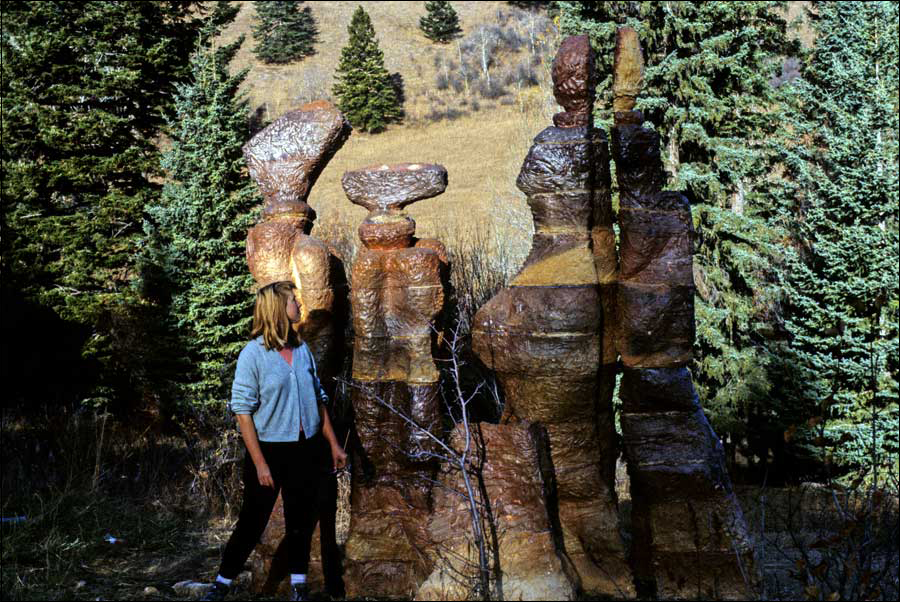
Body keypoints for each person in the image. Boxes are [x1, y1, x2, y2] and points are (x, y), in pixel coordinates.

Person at [203, 281, 347, 602]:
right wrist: (260, 464)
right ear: (277, 309)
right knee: (251, 523)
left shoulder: (302, 348)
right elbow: (242, 411)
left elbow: (318, 399)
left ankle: (298, 586)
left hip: (306, 450)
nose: (298, 304)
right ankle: (220, 585)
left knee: (300, 521)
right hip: (269, 451)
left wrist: (334, 444)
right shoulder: (253, 354)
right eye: (293, 300)